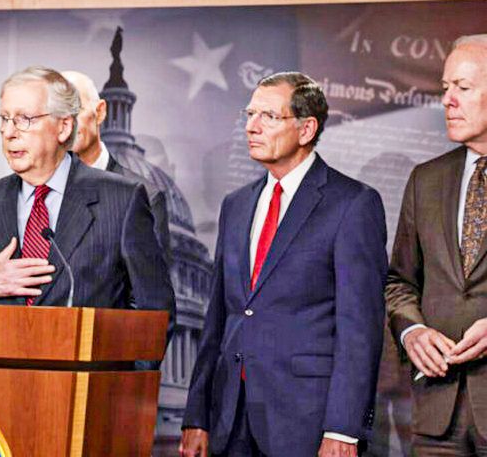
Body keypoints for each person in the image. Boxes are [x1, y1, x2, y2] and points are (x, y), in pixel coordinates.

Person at [180, 72, 387, 457]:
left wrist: (343, 429)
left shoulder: (352, 204)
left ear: (307, 128)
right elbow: (218, 320)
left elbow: (360, 330)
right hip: (230, 415)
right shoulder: (236, 205)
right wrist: (197, 415)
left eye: (268, 117)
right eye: (250, 113)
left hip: (306, 421)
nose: (251, 127)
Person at [0, 66, 175, 328]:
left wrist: (120, 371)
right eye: (5, 119)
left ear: (63, 127)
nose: (9, 132)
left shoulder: (122, 200)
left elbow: (153, 315)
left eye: (25, 119)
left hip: (86, 369)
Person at [386, 33, 487, 455]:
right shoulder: (425, 180)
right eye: (445, 88)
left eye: (462, 88)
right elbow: (399, 282)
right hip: (436, 417)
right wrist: (412, 331)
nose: (448, 100)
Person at [61, 70, 171, 263]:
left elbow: (151, 289)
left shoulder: (147, 196)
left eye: (75, 110)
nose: (67, 124)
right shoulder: (35, 193)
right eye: (56, 114)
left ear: (101, 112)